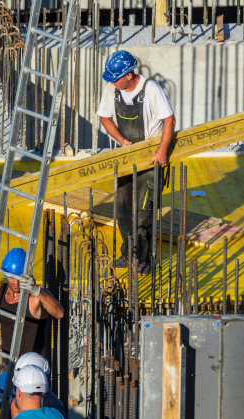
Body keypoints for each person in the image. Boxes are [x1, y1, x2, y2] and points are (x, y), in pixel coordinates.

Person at [97, 50, 175, 275]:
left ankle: (143, 259)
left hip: (150, 159)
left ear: (129, 75)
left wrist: (162, 152)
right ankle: (127, 254)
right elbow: (104, 117)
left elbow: (169, 120)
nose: (111, 82)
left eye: (116, 78)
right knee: (122, 209)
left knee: (144, 211)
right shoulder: (113, 89)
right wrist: (121, 139)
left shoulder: (152, 90)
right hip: (127, 158)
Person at [0, 247, 65, 362]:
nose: (16, 282)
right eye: (12, 277)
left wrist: (37, 291)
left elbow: (60, 313)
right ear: (6, 275)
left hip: (34, 369)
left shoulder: (35, 297)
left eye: (20, 277)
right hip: (9, 367)